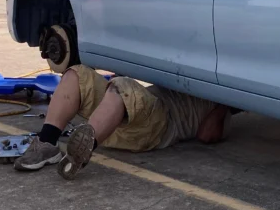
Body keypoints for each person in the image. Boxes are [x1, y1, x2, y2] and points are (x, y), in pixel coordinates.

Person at [13, 65, 232, 179]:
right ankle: (47, 144)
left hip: (156, 126)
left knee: (124, 87)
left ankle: (85, 146)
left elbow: (207, 135)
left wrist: (224, 104)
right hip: (115, 121)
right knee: (78, 74)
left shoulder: (221, 109)